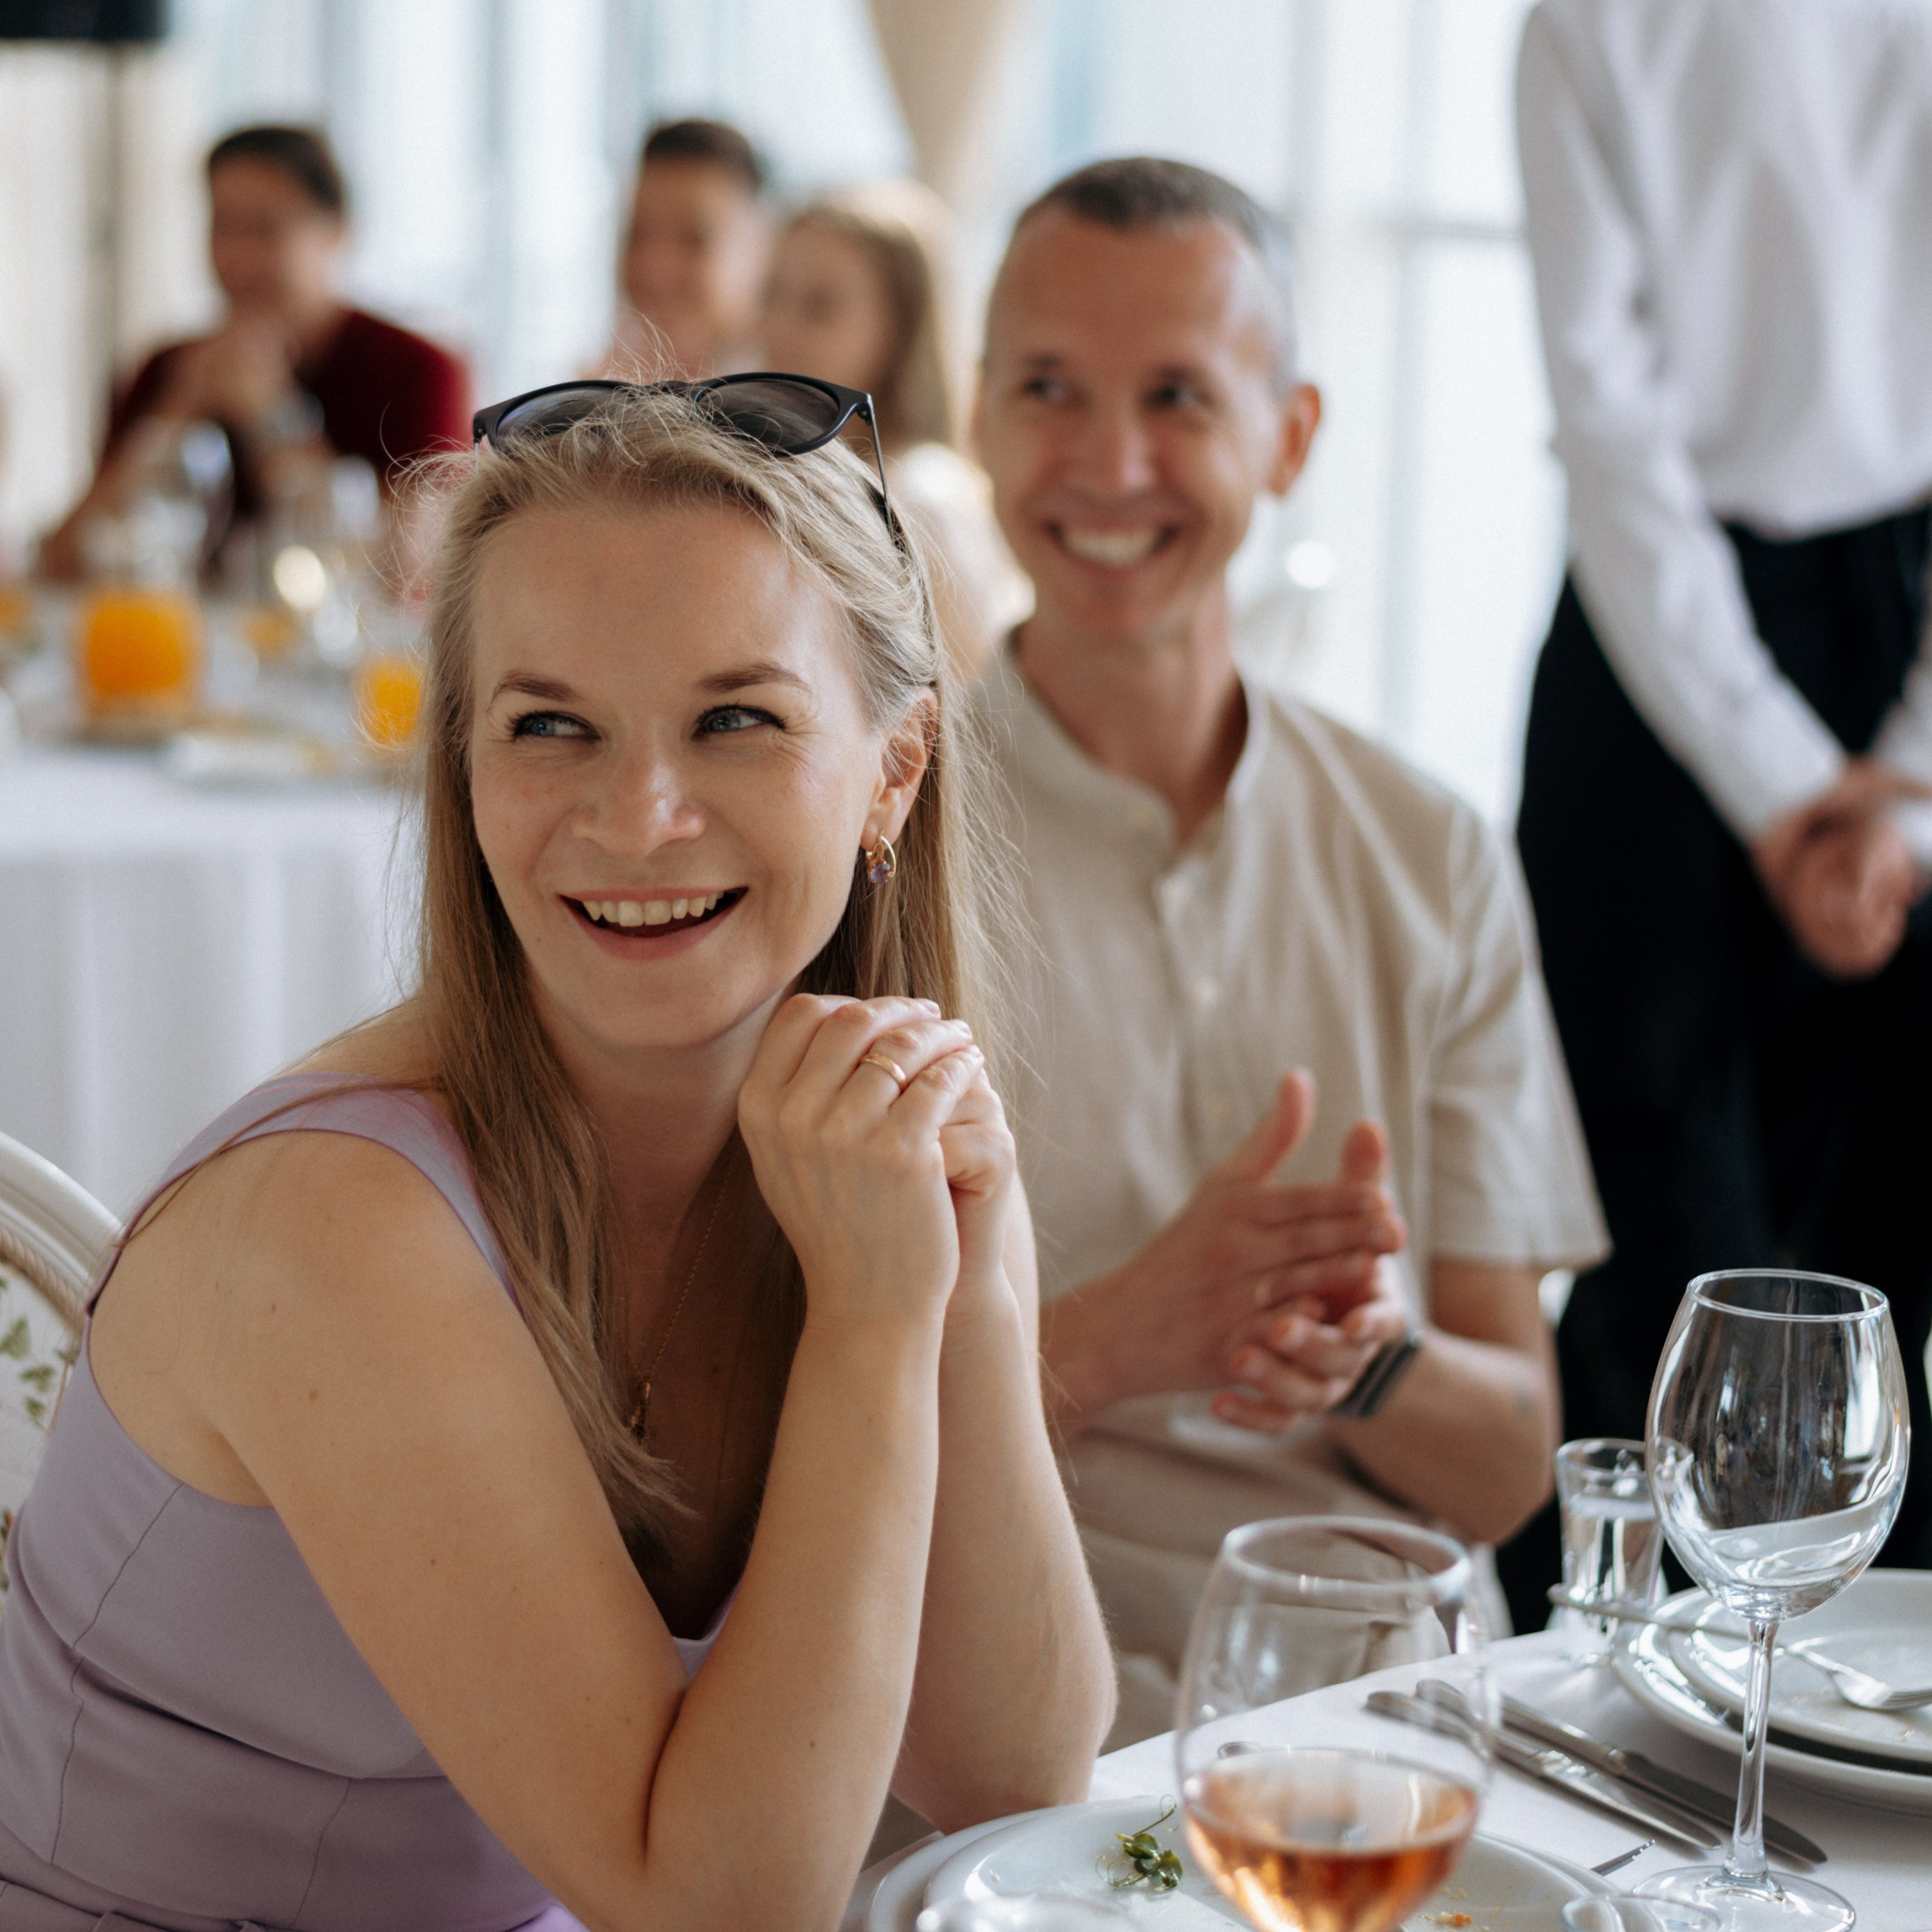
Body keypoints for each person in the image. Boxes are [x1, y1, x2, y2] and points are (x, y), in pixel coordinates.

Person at [0, 380, 1112, 1928]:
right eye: (549, 726)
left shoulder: (835, 1153)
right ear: (462, 768)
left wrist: (967, 1265)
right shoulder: (336, 1225)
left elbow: (1012, 1768)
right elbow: (723, 1902)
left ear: (895, 767)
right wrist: (866, 1326)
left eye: (735, 717)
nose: (638, 814)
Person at [967, 158, 1608, 1744]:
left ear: (1290, 436)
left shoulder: (1429, 851)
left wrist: (1367, 1360)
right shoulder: (866, 843)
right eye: (1049, 387)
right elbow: (745, 1461)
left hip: (1398, 1723)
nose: (1110, 463)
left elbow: (1510, 1456)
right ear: (974, 412)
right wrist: (1118, 1336)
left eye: (1177, 394)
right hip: (1026, 1717)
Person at [1503, 0, 1932, 1626]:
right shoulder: (1585, 27)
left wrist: (1885, 790)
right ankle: (1615, 1724)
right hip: (1651, 638)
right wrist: (1804, 791)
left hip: (1889, 615)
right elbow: (1606, 436)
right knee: (1648, 1218)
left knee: (1891, 1237)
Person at [40, 124, 469, 581]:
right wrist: (175, 415)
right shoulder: (167, 368)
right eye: (223, 226)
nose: (237, 257)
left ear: (336, 233)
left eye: (266, 230)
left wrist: (273, 417)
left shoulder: (421, 371)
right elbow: (59, 566)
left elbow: (404, 574)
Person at [761, 180, 1028, 680]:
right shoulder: (828, 482)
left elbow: (986, 719)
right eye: (772, 293)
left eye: (820, 306)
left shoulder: (920, 500)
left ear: (900, 329)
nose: (777, 328)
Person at [598, 118, 771, 383]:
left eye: (693, 240)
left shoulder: (820, 410)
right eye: (637, 234)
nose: (655, 269)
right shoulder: (579, 409)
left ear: (764, 249)